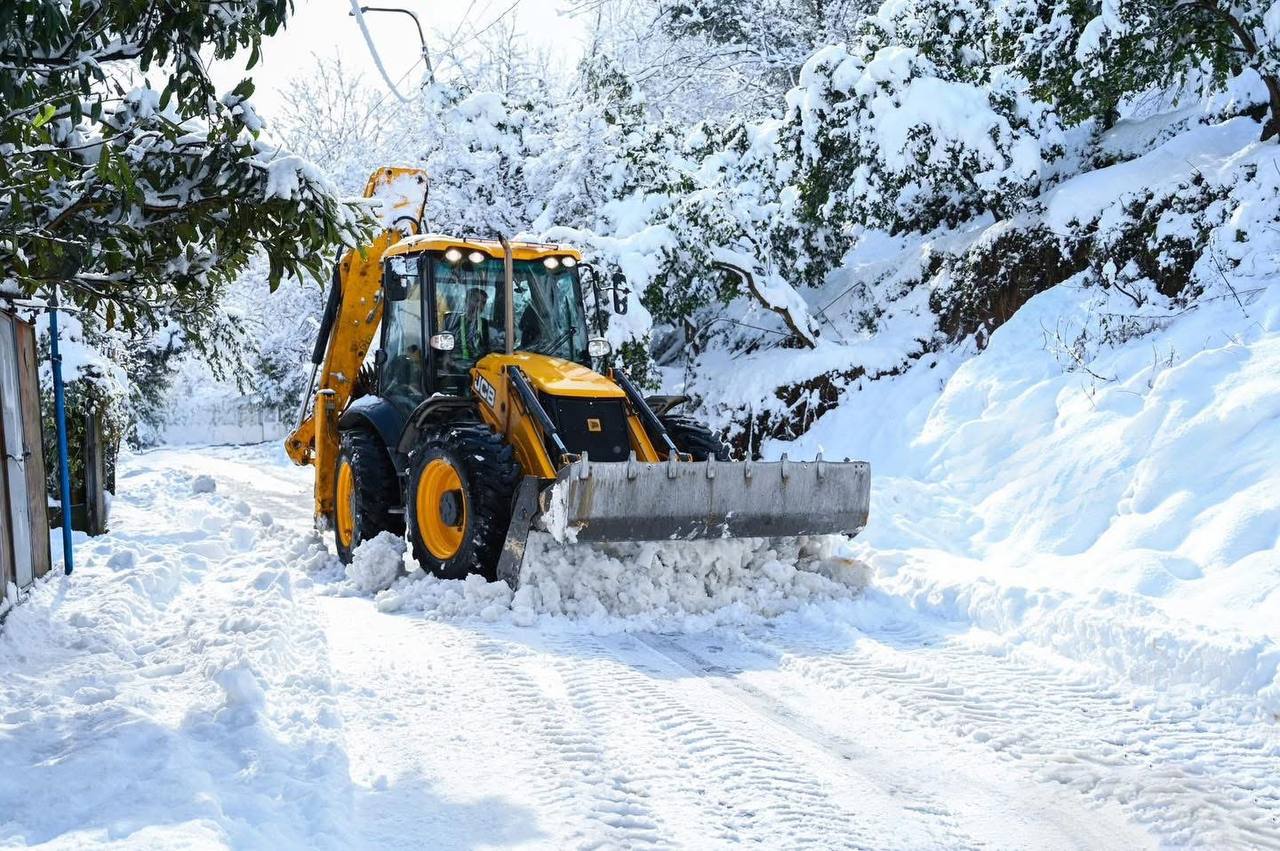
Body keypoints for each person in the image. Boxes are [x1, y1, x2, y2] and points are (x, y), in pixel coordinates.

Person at [443, 287, 493, 364]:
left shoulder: (485, 323)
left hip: (479, 365)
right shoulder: (453, 320)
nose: (479, 305)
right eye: (476, 301)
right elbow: (446, 345)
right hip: (455, 363)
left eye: (483, 303)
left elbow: (487, 347)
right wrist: (446, 358)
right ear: (466, 301)